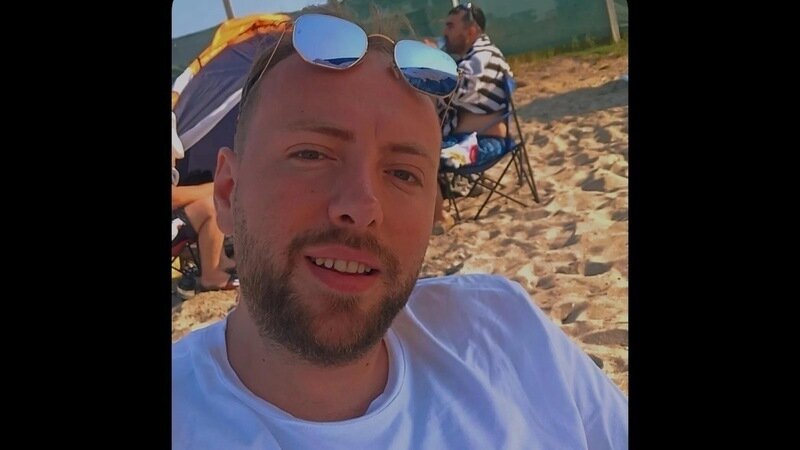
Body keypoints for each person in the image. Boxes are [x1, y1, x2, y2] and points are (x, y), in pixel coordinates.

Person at [172, 11, 627, 449]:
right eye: (312, 154)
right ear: (228, 193)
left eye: (403, 173)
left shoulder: (509, 331)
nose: (362, 208)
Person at [428, 3, 515, 232]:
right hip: (470, 142)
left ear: (471, 31)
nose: (445, 32)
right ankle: (462, 185)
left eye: (450, 26)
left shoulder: (483, 57)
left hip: (481, 146)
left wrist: (430, 62)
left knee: (424, 157)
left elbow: (458, 88)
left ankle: (439, 218)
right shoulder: (472, 57)